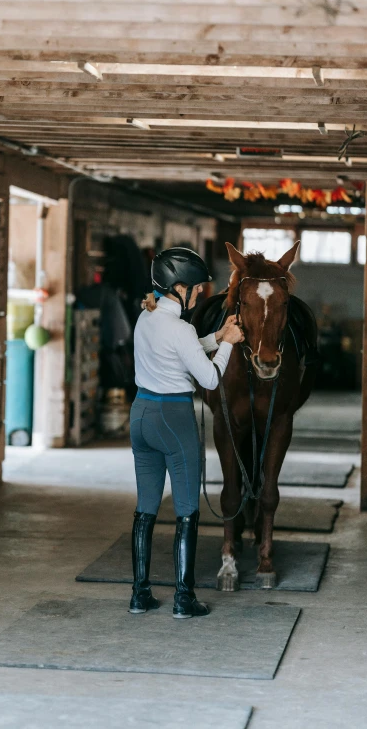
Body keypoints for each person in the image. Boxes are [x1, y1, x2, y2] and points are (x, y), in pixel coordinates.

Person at [129, 247, 244, 619]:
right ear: (180, 287)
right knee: (186, 511)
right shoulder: (179, 328)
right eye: (197, 289)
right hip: (173, 418)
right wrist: (229, 342)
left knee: (145, 508)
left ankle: (140, 595)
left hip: (141, 415)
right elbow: (208, 377)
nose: (199, 295)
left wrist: (215, 336)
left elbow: (183, 350)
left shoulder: (145, 319)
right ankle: (183, 598)